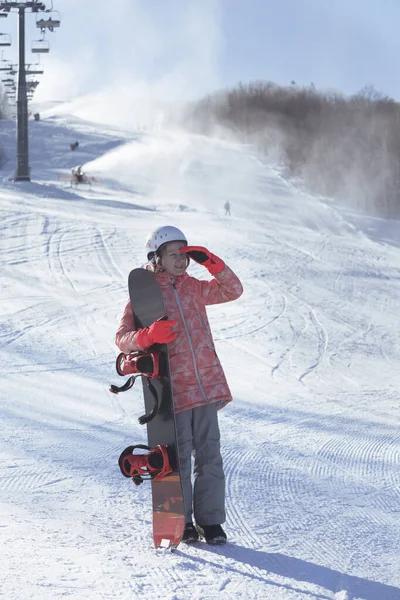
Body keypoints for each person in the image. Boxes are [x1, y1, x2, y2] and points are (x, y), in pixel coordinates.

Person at [115, 225, 243, 545]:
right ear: (156, 257)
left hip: (206, 387)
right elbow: (122, 340)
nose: (180, 260)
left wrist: (212, 262)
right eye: (173, 254)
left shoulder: (195, 288)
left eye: (184, 254)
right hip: (173, 392)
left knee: (210, 456)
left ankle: (211, 522)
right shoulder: (144, 295)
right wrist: (148, 337)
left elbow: (233, 290)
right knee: (179, 458)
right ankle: (182, 521)